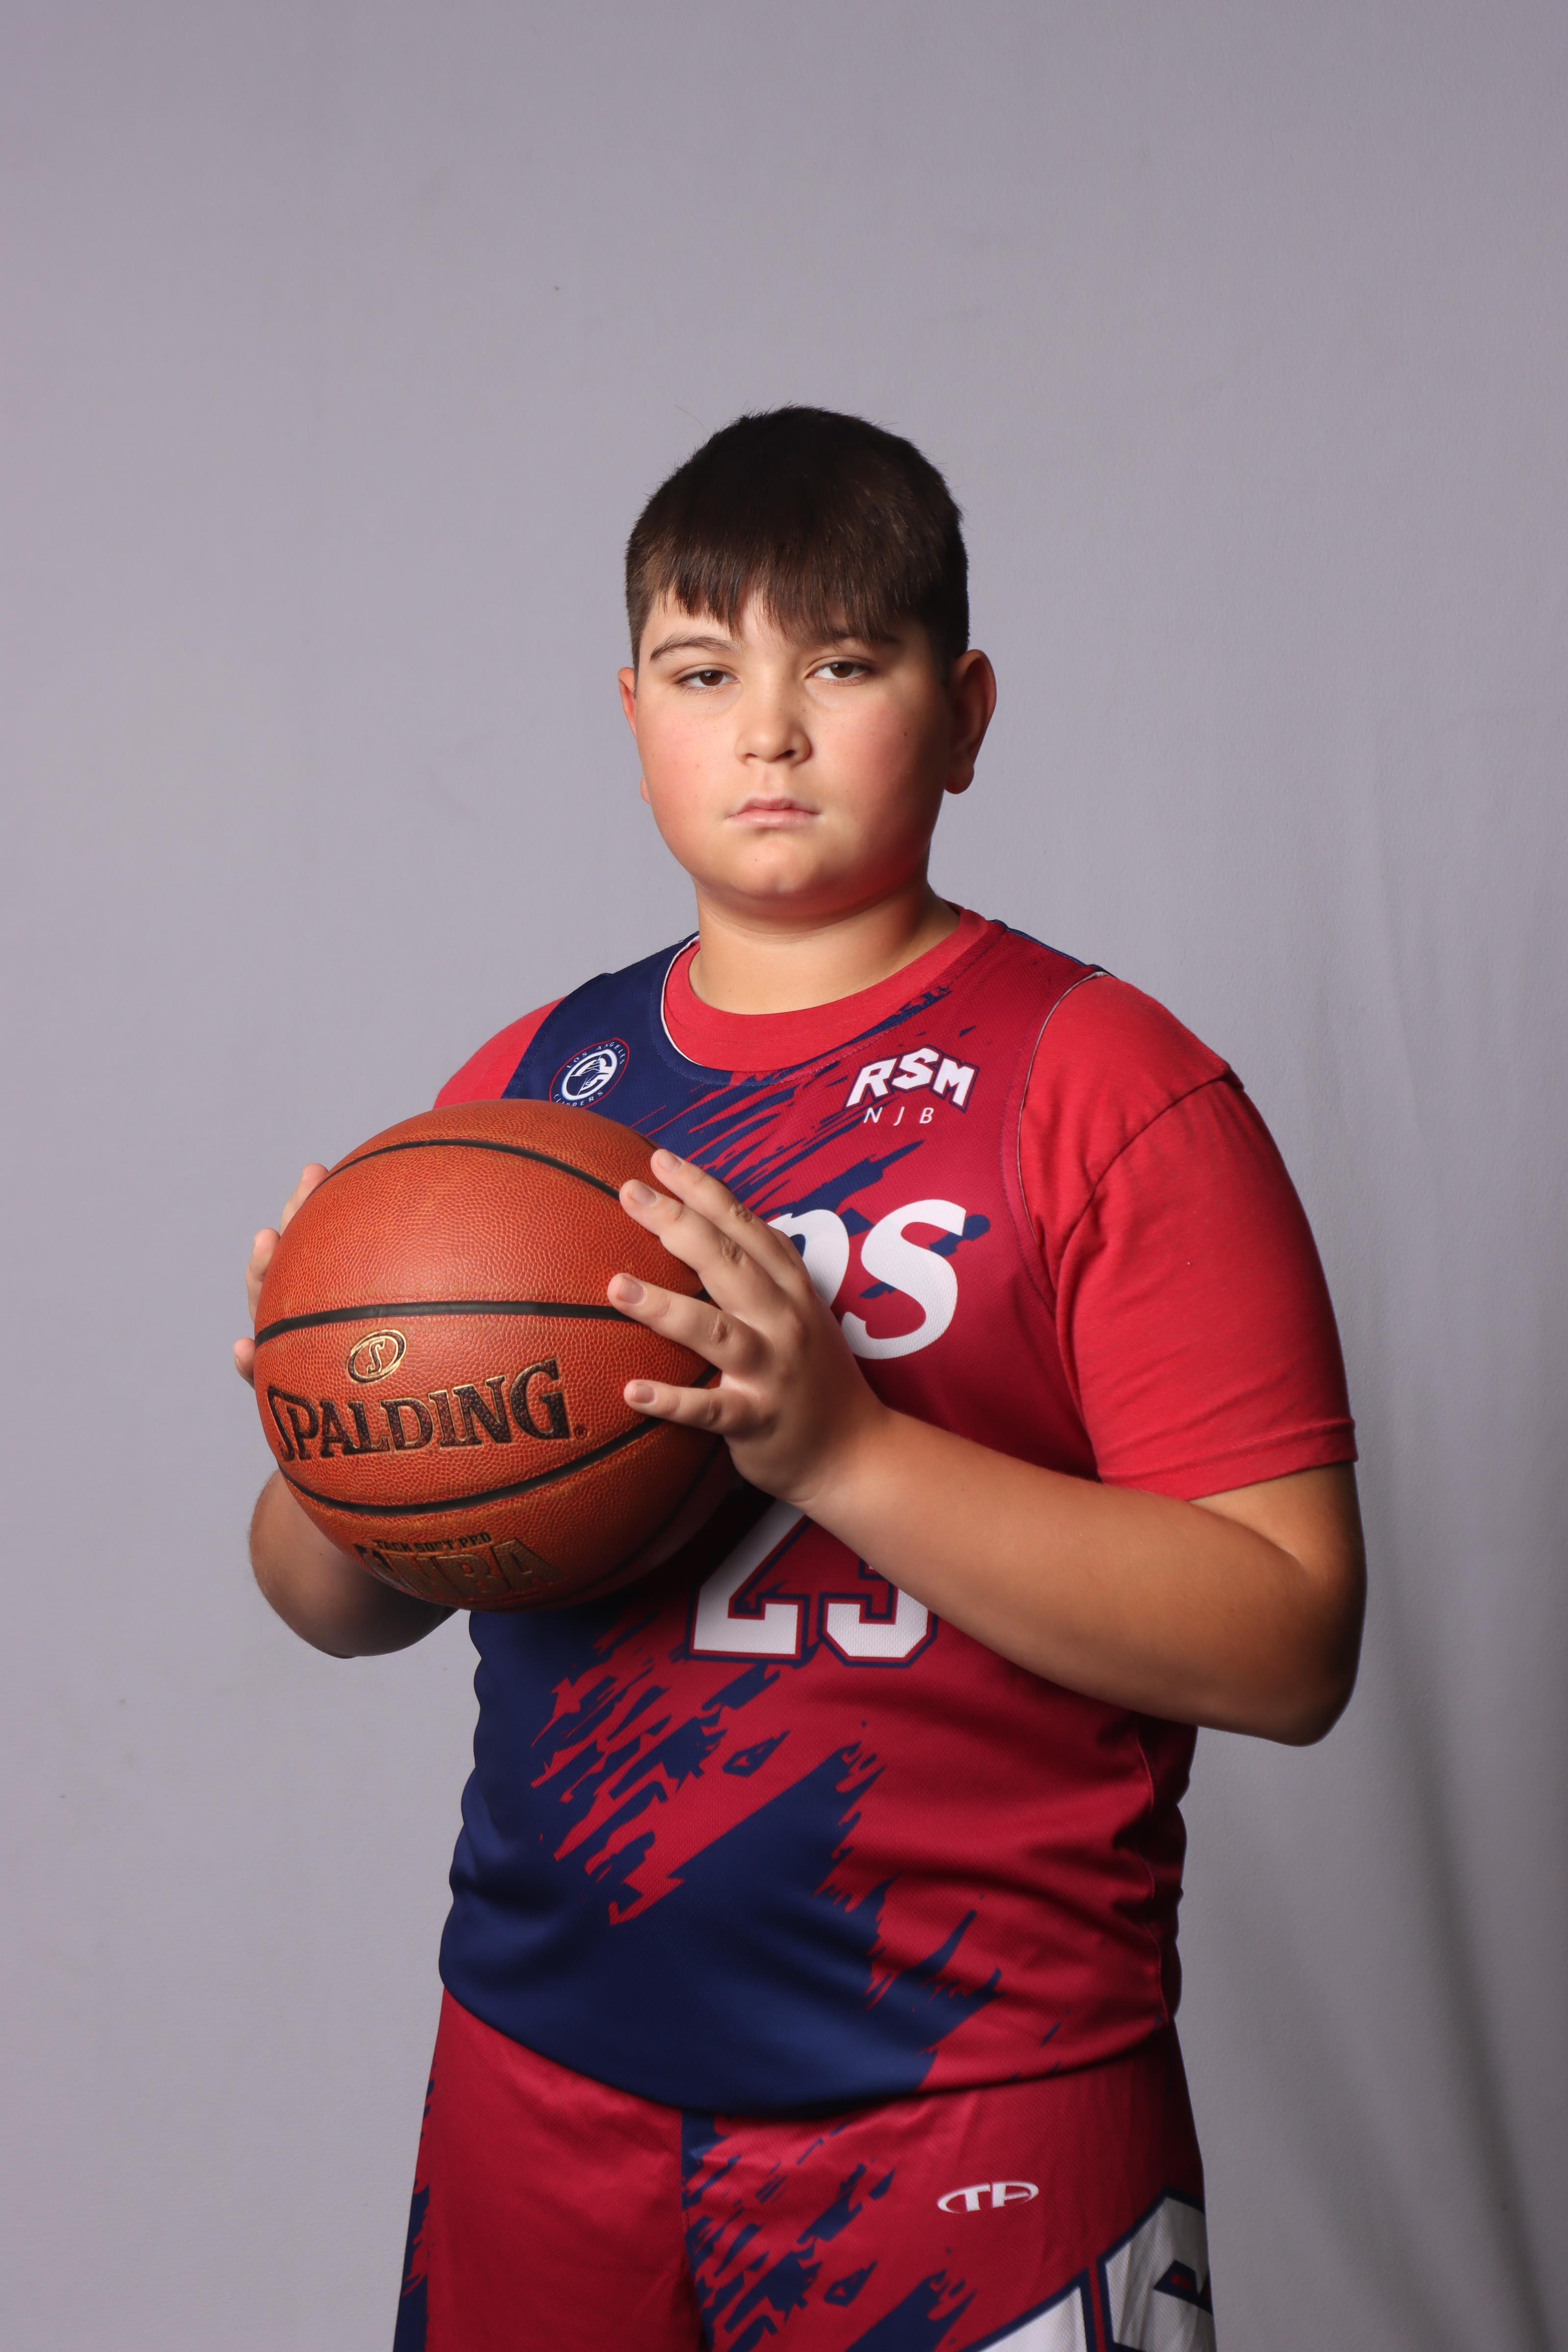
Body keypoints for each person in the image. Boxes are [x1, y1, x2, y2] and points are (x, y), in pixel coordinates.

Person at [237, 408, 1363, 2352]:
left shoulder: (1106, 1088)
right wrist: (338, 1428)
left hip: (973, 2092)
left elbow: (1289, 1643)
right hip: (542, 2061)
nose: (767, 729)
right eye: (703, 673)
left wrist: (843, 1447)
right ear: (632, 717)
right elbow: (334, 1600)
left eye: (840, 664)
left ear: (964, 711)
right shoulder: (529, 1095)